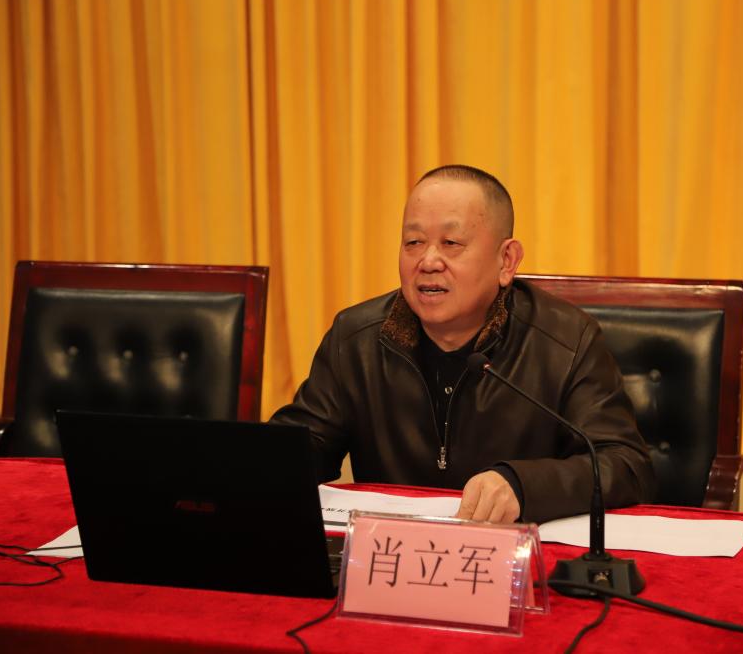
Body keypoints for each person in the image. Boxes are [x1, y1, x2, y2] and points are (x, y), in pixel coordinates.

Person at [271, 164, 654, 524]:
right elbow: (302, 448)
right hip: (394, 556)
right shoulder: (356, 339)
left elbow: (626, 465)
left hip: (517, 557)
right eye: (413, 242)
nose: (428, 261)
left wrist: (523, 485)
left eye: (451, 242)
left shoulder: (566, 341)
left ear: (506, 261)